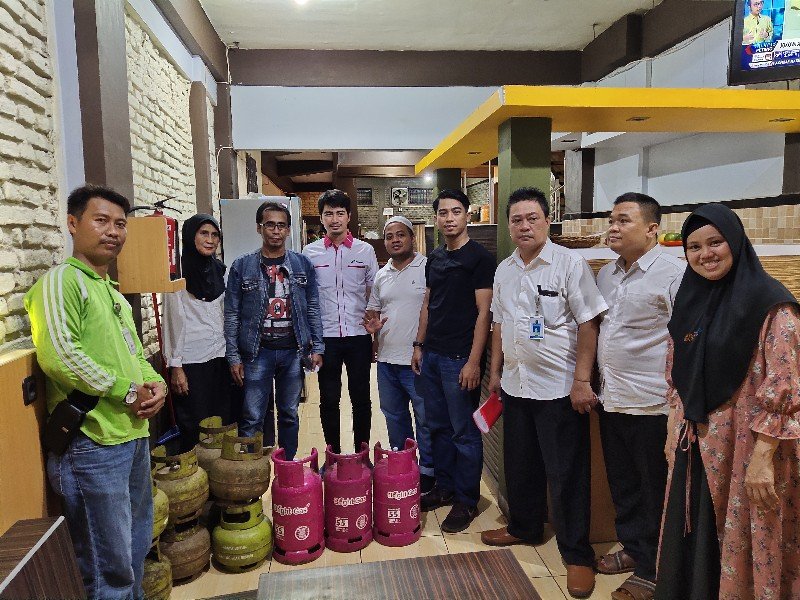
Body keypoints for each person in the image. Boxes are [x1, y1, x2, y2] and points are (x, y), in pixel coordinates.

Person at [24, 184, 166, 599]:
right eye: (101, 220)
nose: (113, 231)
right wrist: (127, 392)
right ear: (73, 223)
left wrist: (154, 385)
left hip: (131, 438)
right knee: (108, 568)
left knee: (134, 550)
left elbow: (134, 354)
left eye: (120, 224)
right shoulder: (61, 282)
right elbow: (60, 356)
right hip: (92, 445)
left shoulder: (110, 290)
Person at [656, 204, 800, 600]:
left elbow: (786, 386)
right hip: (696, 443)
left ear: (735, 242)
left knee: (743, 533)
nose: (705, 254)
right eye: (694, 246)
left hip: (748, 450)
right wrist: (672, 428)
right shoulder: (690, 300)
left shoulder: (772, 305)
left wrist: (762, 459)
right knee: (695, 535)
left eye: (715, 242)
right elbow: (677, 370)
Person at [479, 187, 607, 599]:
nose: (524, 226)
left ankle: (578, 554)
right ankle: (525, 527)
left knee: (567, 474)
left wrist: (582, 381)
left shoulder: (569, 264)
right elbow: (499, 324)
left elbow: (588, 323)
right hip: (516, 385)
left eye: (532, 218)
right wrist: (495, 373)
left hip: (558, 389)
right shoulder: (505, 270)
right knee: (521, 466)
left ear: (547, 221)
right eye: (516, 219)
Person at [594, 193, 685, 600]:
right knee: (624, 483)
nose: (613, 227)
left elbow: (686, 340)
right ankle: (634, 548)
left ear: (652, 229)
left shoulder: (674, 273)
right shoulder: (606, 274)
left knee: (655, 491)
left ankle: (655, 569)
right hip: (613, 398)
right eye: (611, 220)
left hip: (654, 403)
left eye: (623, 220)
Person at [412, 189, 494, 533]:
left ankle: (466, 499)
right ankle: (444, 487)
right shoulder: (434, 258)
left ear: (467, 216)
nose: (449, 218)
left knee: (464, 432)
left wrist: (474, 361)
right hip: (432, 355)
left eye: (455, 211)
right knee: (437, 427)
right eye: (443, 212)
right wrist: (419, 345)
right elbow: (428, 303)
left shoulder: (480, 258)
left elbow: (484, 313)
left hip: (459, 358)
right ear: (436, 218)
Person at [224, 201, 323, 460]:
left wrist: (317, 346)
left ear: (288, 230)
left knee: (289, 413)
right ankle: (249, 469)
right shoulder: (242, 266)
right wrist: (233, 356)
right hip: (257, 352)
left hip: (293, 351)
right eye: (270, 225)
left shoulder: (302, 264)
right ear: (259, 228)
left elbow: (313, 307)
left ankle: (287, 467)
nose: (276, 231)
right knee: (252, 416)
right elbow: (232, 314)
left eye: (281, 225)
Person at [302, 189, 378, 454]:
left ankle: (361, 455)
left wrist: (374, 336)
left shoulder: (365, 251)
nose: (334, 219)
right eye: (328, 214)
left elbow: (374, 293)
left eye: (339, 213)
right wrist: (311, 342)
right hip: (326, 339)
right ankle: (332, 455)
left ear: (349, 216)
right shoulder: (309, 253)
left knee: (361, 399)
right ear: (321, 218)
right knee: (328, 400)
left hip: (358, 336)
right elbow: (307, 298)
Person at [363, 215, 435, 493]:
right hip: (387, 362)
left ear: (412, 238)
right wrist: (373, 333)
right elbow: (374, 312)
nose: (395, 240)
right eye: (389, 236)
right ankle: (403, 464)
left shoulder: (427, 267)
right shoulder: (382, 275)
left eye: (400, 234)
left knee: (425, 419)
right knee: (394, 417)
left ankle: (428, 471)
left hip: (418, 361)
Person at [163, 214, 232, 452]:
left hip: (220, 357)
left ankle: (218, 470)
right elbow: (172, 322)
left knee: (221, 420)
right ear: (190, 236)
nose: (210, 240)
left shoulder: (220, 271)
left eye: (214, 235)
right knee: (194, 424)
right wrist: (176, 366)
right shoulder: (177, 276)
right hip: (191, 361)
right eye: (203, 233)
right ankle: (196, 470)